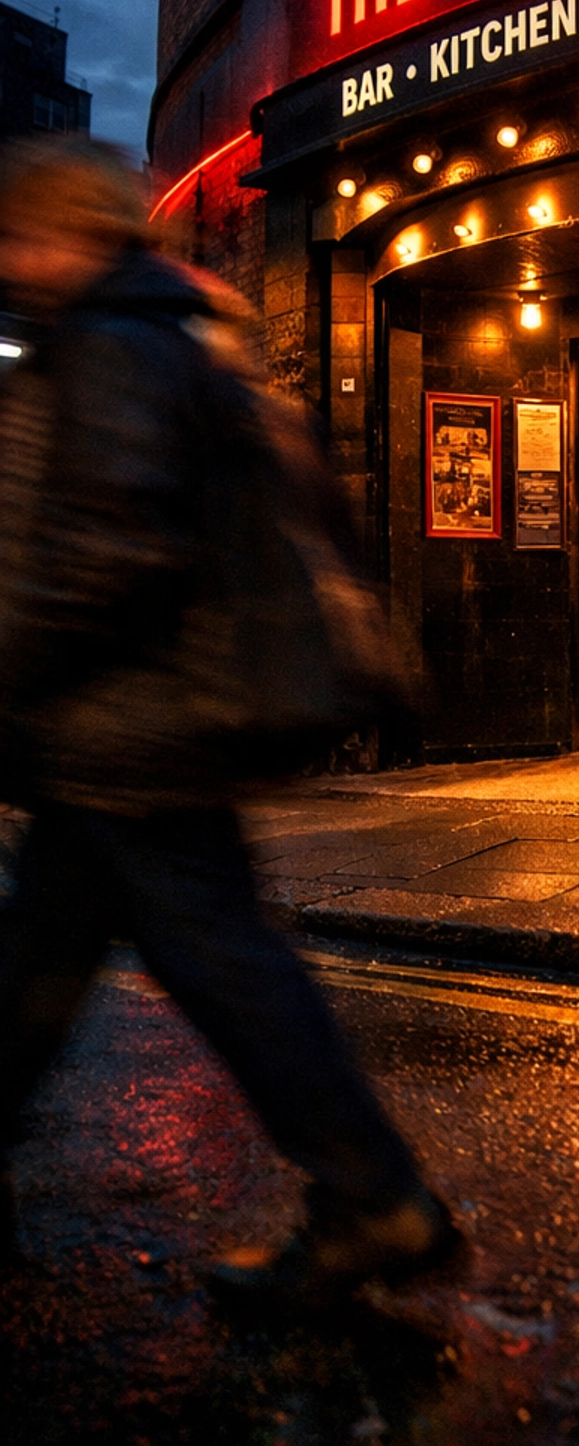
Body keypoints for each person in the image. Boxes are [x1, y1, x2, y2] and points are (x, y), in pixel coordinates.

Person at [0, 137, 464, 1302]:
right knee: (40, 961)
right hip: (122, 734)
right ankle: (374, 1200)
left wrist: (10, 671)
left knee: (223, 968)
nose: (10, 260)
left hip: (130, 730)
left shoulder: (112, 342)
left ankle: (376, 1200)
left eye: (22, 236)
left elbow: (107, 547)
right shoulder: (159, 335)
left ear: (74, 234)